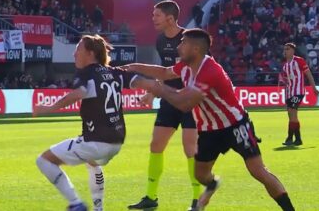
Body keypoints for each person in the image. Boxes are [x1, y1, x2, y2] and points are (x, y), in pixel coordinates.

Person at [124, 28, 295, 211]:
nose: (179, 47)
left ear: (196, 49)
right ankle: (212, 184)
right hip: (208, 130)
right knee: (200, 175)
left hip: (235, 125)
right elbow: (166, 72)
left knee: (258, 171)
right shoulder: (186, 66)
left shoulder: (210, 71)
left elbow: (184, 103)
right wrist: (136, 67)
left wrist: (154, 87)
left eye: (183, 43)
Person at [33, 34, 153, 211]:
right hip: (116, 142)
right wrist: (152, 92)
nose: (74, 54)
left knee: (44, 160)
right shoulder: (115, 73)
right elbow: (144, 81)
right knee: (92, 163)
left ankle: (76, 203)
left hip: (96, 141)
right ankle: (99, 208)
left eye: (78, 49)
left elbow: (79, 92)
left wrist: (47, 108)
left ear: (90, 53)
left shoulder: (86, 73)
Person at [127, 0, 201, 211]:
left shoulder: (191, 39)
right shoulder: (160, 40)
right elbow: (164, 72)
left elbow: (205, 68)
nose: (153, 19)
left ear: (169, 18)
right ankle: (151, 197)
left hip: (189, 101)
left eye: (156, 15)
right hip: (169, 99)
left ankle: (197, 200)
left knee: (190, 149)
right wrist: (151, 93)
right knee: (156, 145)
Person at [280, 43, 319, 146]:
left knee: (292, 112)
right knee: (291, 115)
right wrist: (283, 82)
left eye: (287, 49)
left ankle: (289, 138)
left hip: (298, 92)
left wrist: (314, 88)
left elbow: (308, 74)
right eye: (284, 49)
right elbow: (286, 81)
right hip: (289, 92)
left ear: (293, 50)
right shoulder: (285, 65)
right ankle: (298, 139)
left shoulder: (299, 61)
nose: (285, 51)